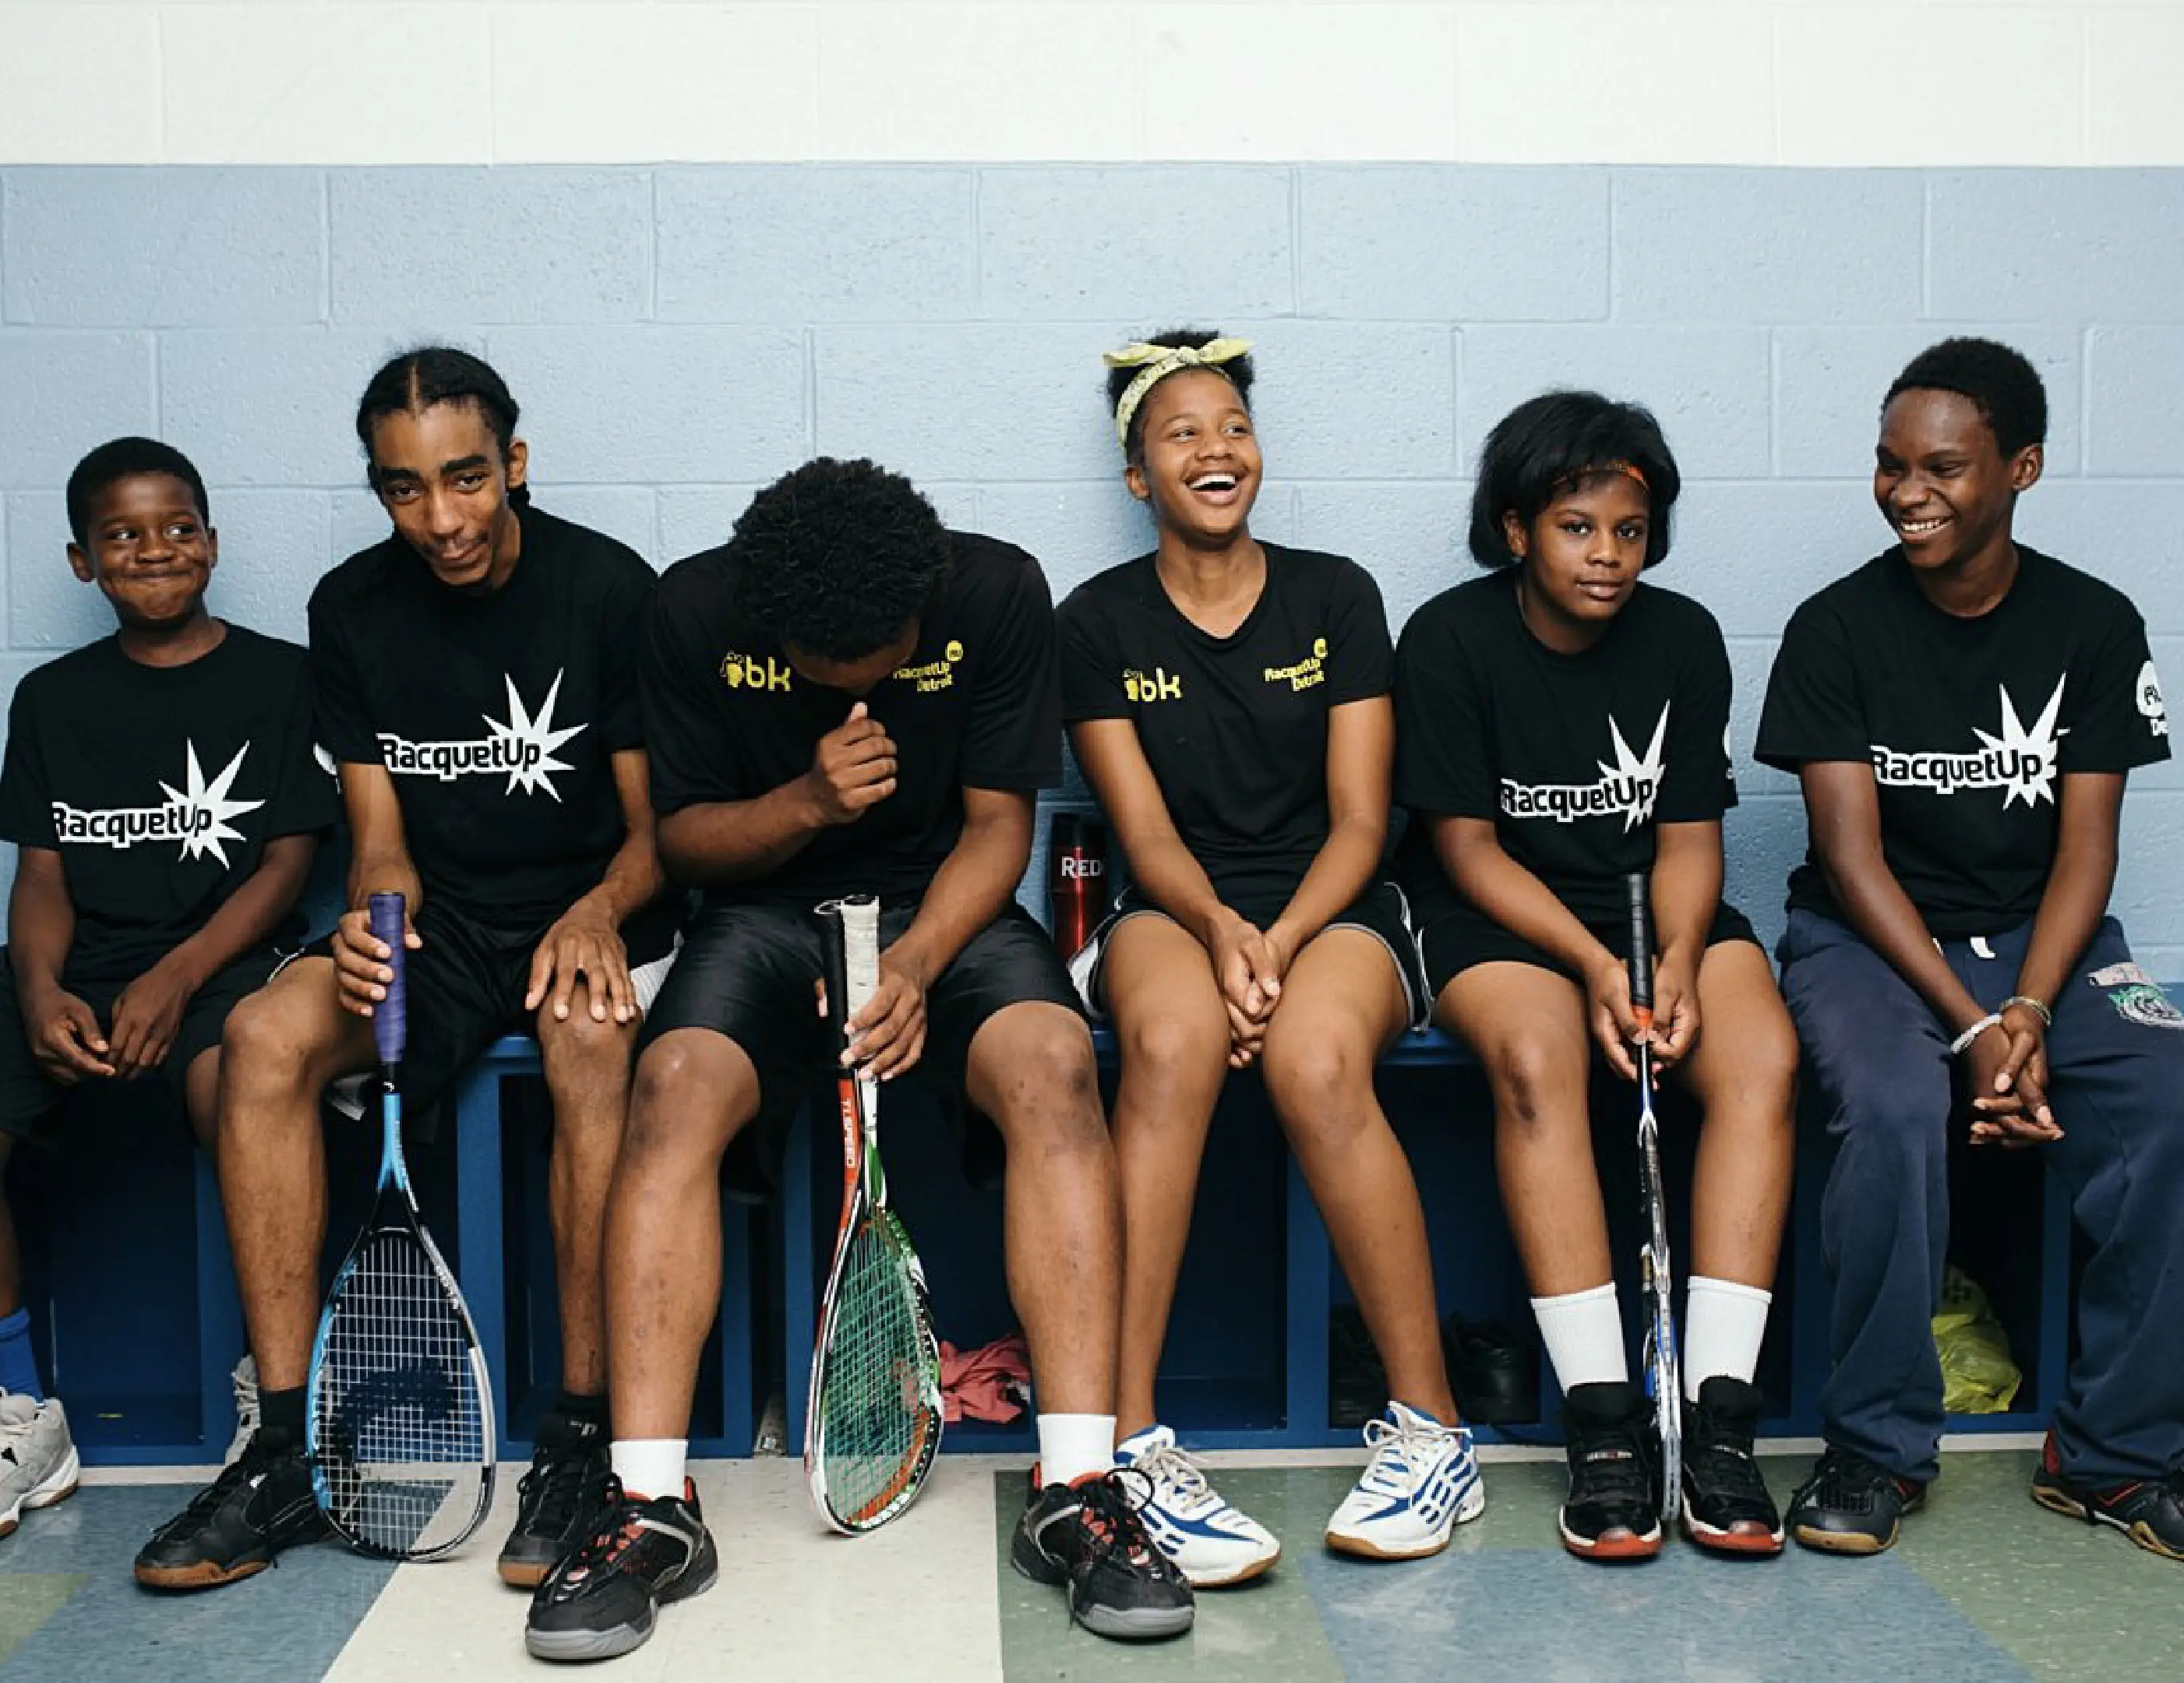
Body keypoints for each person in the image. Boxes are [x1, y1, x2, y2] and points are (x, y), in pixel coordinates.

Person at [524, 456, 1191, 1663]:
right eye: (851, 670)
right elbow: (682, 842)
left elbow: (999, 827)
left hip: (948, 913)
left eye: (898, 651)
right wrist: (811, 805)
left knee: (1052, 1061)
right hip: (763, 916)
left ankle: (1082, 1492)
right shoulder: (690, 610)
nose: (884, 675)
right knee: (669, 1091)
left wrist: (921, 962)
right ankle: (646, 1506)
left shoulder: (992, 592)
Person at [134, 349, 670, 1591]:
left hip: (596, 911)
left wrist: (594, 912)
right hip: (449, 929)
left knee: (590, 1043)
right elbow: (378, 836)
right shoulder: (355, 606)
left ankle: (582, 1441)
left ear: (515, 466)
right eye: (405, 489)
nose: (440, 520)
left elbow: (657, 838)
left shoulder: (607, 590)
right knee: (263, 1043)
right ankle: (291, 1455)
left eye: (467, 480)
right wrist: (378, 913)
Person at [1055, 332, 1477, 1584]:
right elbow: (1141, 835)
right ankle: (1126, 1448)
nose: (1215, 449)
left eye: (1232, 426)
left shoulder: (1336, 594)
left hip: (1332, 906)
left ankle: (1431, 1432)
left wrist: (1281, 941)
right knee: (1174, 1044)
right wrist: (1225, 936)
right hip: (1175, 909)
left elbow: (1363, 821)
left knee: (1311, 1056)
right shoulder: (1098, 621)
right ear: (1140, 476)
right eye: (1181, 434)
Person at [1758, 337, 2184, 1561]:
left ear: (2023, 468)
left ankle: (2115, 1456)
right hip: (1873, 942)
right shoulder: (1835, 625)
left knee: (2167, 1093)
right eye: (1889, 465)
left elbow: (2086, 850)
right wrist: (1973, 1022)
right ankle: (1876, 1450)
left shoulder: (2094, 623)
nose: (1907, 491)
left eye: (1942, 465)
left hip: (2050, 946)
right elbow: (1851, 859)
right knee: (1892, 1106)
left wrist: (2035, 1011)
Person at [1392, 392, 1798, 1561]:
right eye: (1579, 528)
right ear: (1517, 528)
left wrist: (1670, 965)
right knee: (1537, 1055)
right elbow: (1465, 849)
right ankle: (1606, 1426)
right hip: (1500, 918)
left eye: (1629, 530)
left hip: (1656, 918)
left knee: (1762, 1055)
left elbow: (1687, 845)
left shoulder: (1683, 638)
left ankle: (1718, 1425)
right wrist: (1588, 966)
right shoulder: (1451, 639)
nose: (1609, 555)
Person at [0, 439, 331, 1550]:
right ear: (82, 561)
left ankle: (278, 1392)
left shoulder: (279, 676)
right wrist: (41, 987)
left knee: (241, 1105)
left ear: (212, 541)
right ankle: (15, 1413)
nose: (155, 549)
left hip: (225, 965)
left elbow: (288, 866)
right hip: (82, 970)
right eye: (123, 534)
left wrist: (178, 974)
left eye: (176, 528)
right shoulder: (53, 698)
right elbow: (43, 875)